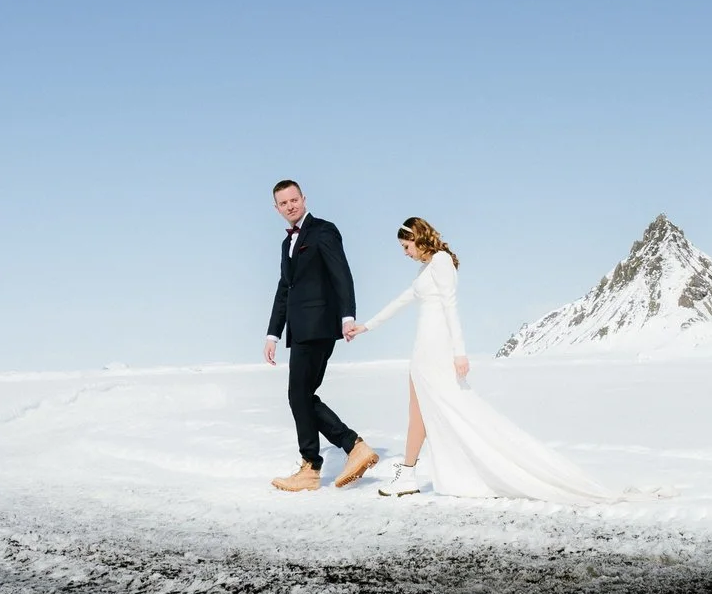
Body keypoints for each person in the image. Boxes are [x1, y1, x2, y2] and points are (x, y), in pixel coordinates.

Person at [351, 217, 618, 504]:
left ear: (418, 238)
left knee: (450, 409)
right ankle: (408, 474)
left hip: (436, 347)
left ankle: (412, 474)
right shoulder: (425, 270)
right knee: (417, 411)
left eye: (407, 246)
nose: (405, 252)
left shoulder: (441, 262)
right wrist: (367, 326)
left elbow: (451, 306)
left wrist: (459, 352)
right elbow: (401, 301)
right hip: (423, 347)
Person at [263, 180, 378, 492]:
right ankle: (347, 449)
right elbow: (284, 289)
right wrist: (273, 333)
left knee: (298, 395)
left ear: (303, 198)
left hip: (319, 326)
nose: (290, 206)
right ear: (276, 209)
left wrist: (347, 316)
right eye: (283, 203)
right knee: (302, 396)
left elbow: (341, 272)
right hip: (299, 330)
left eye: (294, 199)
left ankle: (318, 463)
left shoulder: (323, 230)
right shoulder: (286, 244)